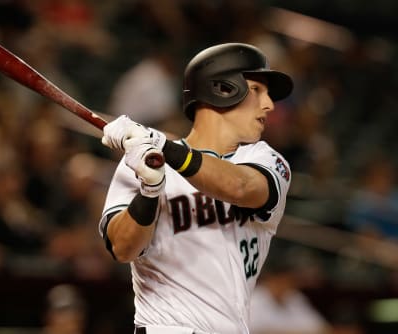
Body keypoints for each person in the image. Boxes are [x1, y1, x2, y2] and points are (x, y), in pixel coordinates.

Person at [98, 42, 293, 334]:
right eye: (257, 90)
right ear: (223, 88)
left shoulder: (264, 160)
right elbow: (123, 247)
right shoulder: (141, 162)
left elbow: (239, 186)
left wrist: (165, 147)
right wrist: (150, 189)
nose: (269, 104)